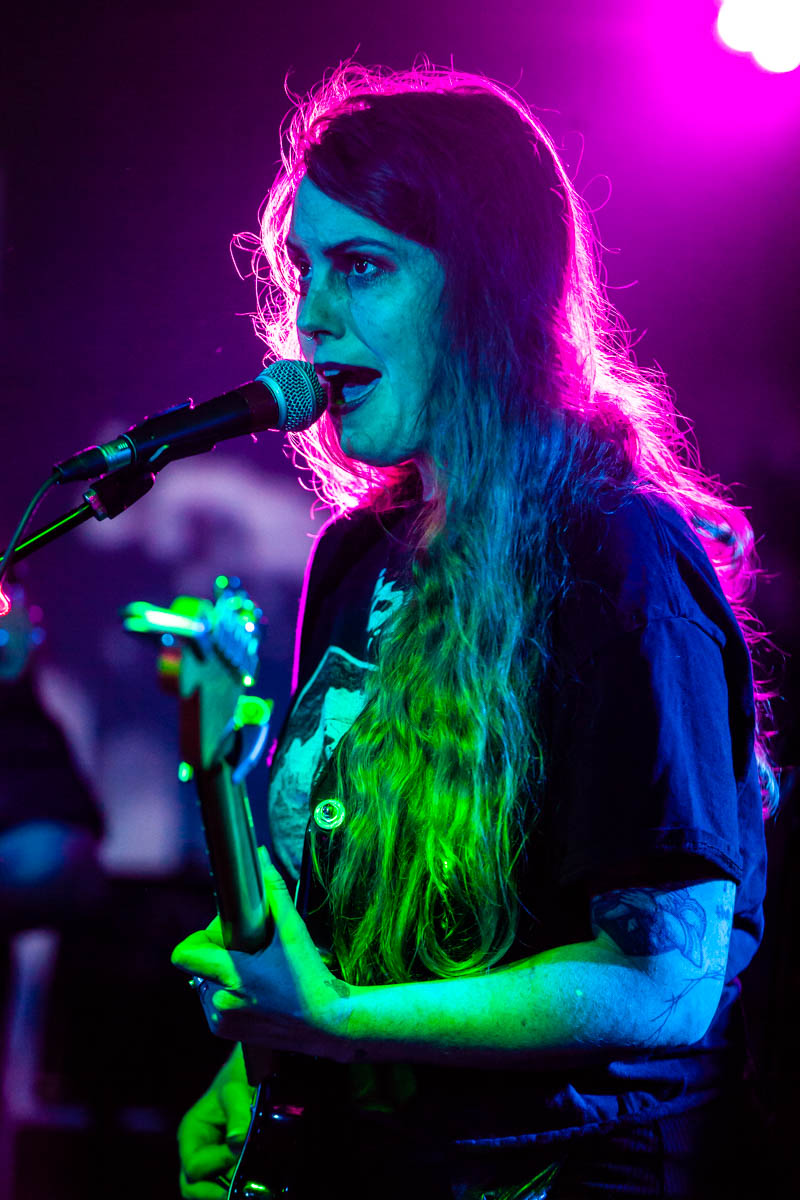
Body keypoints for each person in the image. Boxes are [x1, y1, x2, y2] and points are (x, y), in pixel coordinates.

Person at [171, 63, 774, 1198]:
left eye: (362, 268)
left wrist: (345, 1021)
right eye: (305, 268)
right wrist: (264, 1078)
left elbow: (665, 981)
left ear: (488, 291)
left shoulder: (615, 556)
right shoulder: (355, 560)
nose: (309, 316)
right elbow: (331, 916)